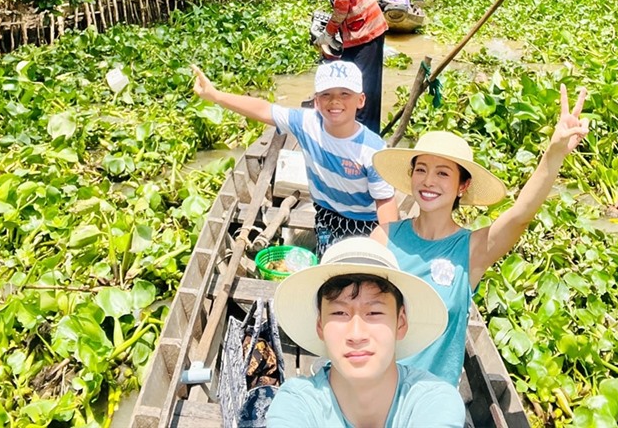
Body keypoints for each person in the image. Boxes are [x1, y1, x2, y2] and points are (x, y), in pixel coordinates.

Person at [370, 85, 589, 385]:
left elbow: (520, 215)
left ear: (463, 186)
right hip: (374, 388)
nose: (428, 181)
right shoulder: (384, 237)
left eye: (443, 173)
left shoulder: (472, 249)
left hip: (431, 399)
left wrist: (554, 154)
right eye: (421, 170)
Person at [191, 61, 398, 256]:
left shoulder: (372, 150)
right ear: (316, 101)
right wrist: (215, 95)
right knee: (330, 268)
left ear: (360, 100)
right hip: (327, 215)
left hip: (365, 222)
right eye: (326, 94)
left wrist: (387, 250)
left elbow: (386, 203)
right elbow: (263, 109)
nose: (335, 101)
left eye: (345, 94)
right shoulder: (306, 123)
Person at [266, 237, 465, 428]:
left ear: (401, 323)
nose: (356, 335)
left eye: (374, 313)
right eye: (339, 313)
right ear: (320, 325)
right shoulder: (296, 403)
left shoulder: (433, 402)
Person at [295, 0, 388, 134]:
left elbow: (341, 8)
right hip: (355, 31)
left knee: (363, 87)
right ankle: (351, 130)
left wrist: (328, 34)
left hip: (367, 31)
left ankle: (366, 135)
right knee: (349, 81)